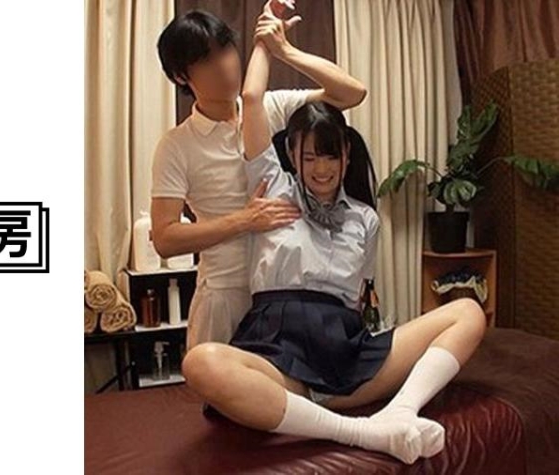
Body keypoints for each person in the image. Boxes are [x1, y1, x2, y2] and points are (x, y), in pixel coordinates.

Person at [180, 3, 487, 465]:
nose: (321, 169)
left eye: (330, 156)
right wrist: (270, 40)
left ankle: (400, 412)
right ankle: (362, 432)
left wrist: (287, 49)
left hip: (348, 356)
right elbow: (253, 98)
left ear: (346, 155)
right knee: (201, 362)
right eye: (309, 157)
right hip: (280, 355)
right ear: (292, 156)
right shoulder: (273, 188)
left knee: (467, 311)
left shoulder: (365, 219)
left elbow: (358, 300)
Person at [151, 0, 367, 351]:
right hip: (225, 293)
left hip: (282, 289)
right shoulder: (176, 145)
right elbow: (165, 238)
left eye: (225, 50)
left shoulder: (269, 106)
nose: (224, 66)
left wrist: (285, 50)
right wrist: (244, 220)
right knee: (217, 384)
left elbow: (352, 93)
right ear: (181, 76)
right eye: (206, 60)